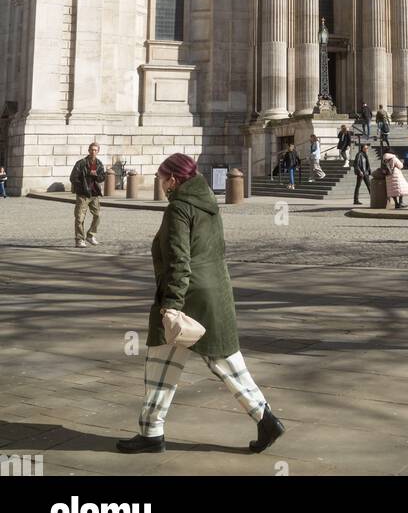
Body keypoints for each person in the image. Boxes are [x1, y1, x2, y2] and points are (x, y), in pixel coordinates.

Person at [115, 153, 284, 455]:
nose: (160, 182)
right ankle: (264, 417)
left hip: (188, 295)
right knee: (223, 362)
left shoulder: (178, 208)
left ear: (174, 179)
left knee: (164, 363)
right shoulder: (208, 204)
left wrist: (171, 305)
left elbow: (180, 260)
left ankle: (152, 432)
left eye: (162, 177)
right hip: (214, 290)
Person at [70, 142, 105, 249]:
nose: (93, 151)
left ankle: (91, 235)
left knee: (98, 215)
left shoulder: (99, 163)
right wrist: (81, 188)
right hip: (83, 194)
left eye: (95, 150)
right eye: (91, 149)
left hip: (94, 194)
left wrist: (97, 175)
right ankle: (79, 239)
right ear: (88, 150)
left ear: (98, 151)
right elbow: (73, 178)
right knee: (79, 218)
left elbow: (102, 178)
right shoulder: (81, 163)